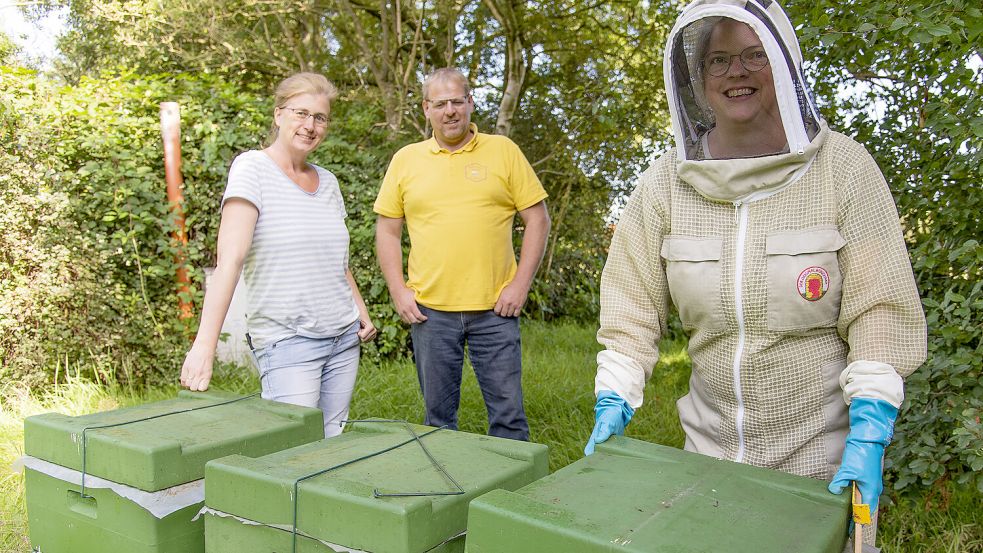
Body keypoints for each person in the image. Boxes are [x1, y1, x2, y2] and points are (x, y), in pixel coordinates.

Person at [583, 0, 926, 547]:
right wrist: (615, 396)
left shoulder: (843, 168)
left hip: (825, 465)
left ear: (785, 67)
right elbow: (630, 301)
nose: (736, 72)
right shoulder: (665, 183)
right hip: (710, 460)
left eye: (754, 55)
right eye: (718, 60)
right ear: (696, 79)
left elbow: (880, 307)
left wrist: (871, 426)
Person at [180, 72, 377, 438]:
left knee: (333, 442)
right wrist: (204, 346)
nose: (310, 125)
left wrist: (360, 311)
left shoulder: (329, 182)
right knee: (295, 451)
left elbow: (337, 260)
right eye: (301, 113)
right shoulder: (252, 168)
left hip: (343, 337)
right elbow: (231, 260)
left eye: (320, 117)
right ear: (278, 115)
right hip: (288, 342)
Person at [374, 67, 550, 441]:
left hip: (495, 310)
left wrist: (519, 286)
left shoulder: (503, 151)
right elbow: (388, 230)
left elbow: (538, 220)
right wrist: (398, 291)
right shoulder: (406, 159)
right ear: (426, 109)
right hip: (430, 312)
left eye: (457, 101)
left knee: (509, 418)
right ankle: (444, 495)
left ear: (471, 103)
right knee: (437, 422)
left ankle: (509, 497)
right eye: (440, 104)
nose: (449, 111)